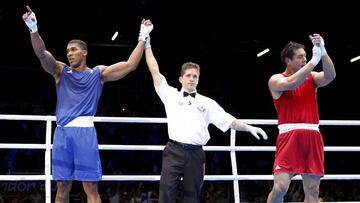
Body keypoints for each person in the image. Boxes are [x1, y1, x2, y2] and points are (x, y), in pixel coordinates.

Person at [22, 5, 153, 203]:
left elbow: (130, 65)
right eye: (67, 51)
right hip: (62, 133)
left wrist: (142, 37)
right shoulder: (60, 71)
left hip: (85, 133)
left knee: (90, 187)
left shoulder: (97, 74)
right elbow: (42, 54)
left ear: (84, 52)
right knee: (62, 186)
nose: (69, 53)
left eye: (73, 50)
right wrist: (33, 27)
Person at [143, 26, 268, 203]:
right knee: (166, 195)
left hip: (196, 154)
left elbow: (229, 121)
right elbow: (155, 71)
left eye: (195, 76)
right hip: (174, 151)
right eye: (188, 75)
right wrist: (147, 44)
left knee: (192, 197)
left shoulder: (207, 103)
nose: (192, 78)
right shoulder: (170, 95)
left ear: (198, 79)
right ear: (181, 79)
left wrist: (248, 127)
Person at [266, 34, 336, 203]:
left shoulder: (312, 78)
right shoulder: (276, 79)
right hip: (289, 136)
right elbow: (291, 83)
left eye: (306, 56)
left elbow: (330, 76)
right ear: (287, 60)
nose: (305, 59)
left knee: (312, 190)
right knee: (279, 187)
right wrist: (313, 61)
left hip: (312, 135)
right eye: (300, 57)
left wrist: (323, 52)